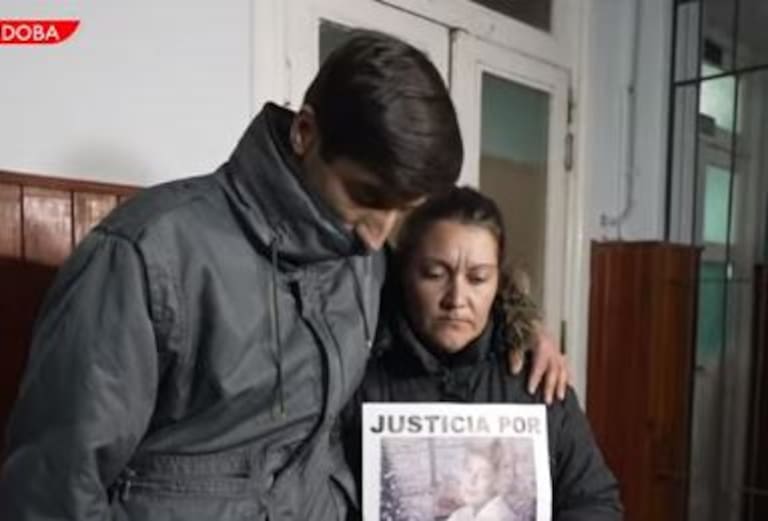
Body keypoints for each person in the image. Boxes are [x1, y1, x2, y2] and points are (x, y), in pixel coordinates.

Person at [0, 33, 567, 521]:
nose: (378, 236)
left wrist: (521, 325)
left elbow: (442, 304)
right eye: (366, 196)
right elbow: (53, 490)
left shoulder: (364, 251)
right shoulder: (144, 255)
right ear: (305, 133)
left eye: (403, 211)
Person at [347, 187, 622, 521]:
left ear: (498, 283)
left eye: (478, 278)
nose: (456, 299)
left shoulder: (538, 381)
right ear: (404, 272)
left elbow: (595, 502)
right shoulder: (355, 372)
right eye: (434, 274)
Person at [446, 441, 499, 521]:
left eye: (483, 475)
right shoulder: (459, 515)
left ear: (498, 482)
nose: (472, 480)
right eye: (468, 470)